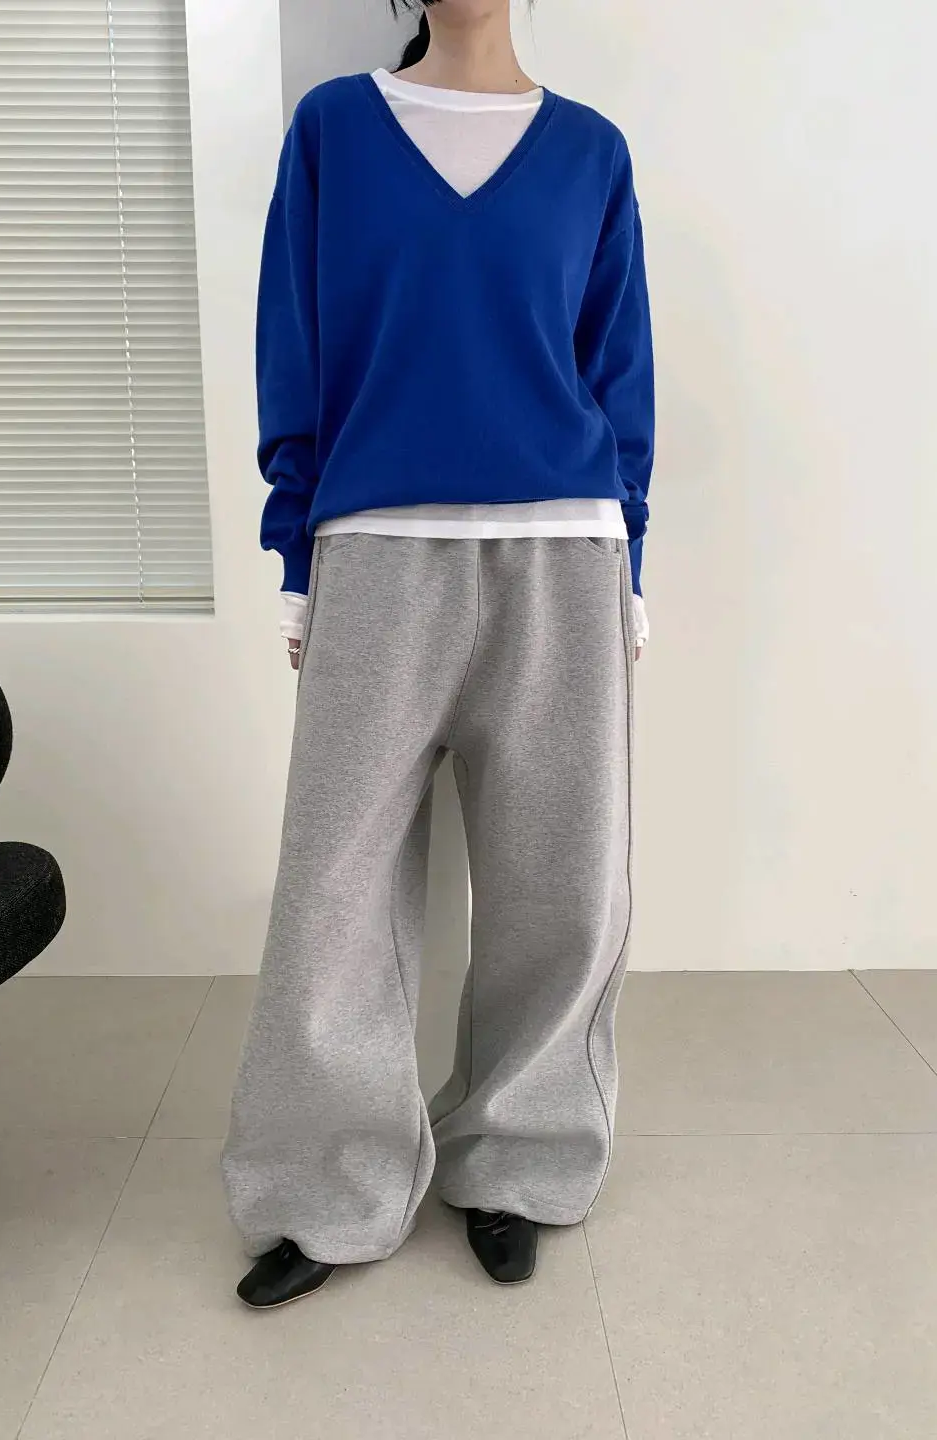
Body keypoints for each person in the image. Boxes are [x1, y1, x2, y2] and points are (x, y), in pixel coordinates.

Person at [221, 0, 654, 1308]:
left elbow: (618, 373)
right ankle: (325, 1184)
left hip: (563, 550)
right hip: (378, 546)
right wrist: (297, 561)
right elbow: (295, 351)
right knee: (333, 888)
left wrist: (630, 564)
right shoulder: (334, 133)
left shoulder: (591, 152)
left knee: (560, 879)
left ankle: (518, 1158)